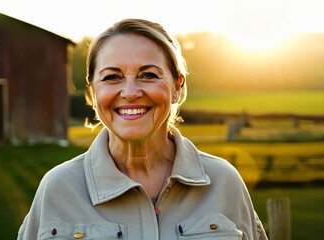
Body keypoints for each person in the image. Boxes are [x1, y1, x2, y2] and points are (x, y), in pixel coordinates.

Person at [18, 18, 268, 240]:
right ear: (93, 92)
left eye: (148, 75)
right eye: (111, 77)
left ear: (177, 87)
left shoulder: (224, 182)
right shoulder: (58, 189)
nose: (130, 93)